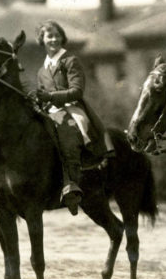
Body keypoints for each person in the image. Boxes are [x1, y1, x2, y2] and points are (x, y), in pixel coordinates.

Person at [28, 20, 113, 215]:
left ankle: (72, 184)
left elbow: (76, 91)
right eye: (49, 36)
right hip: (50, 111)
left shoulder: (70, 61)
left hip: (71, 108)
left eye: (57, 35)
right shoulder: (42, 70)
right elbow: (42, 95)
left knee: (66, 132)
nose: (54, 39)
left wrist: (50, 97)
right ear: (42, 40)